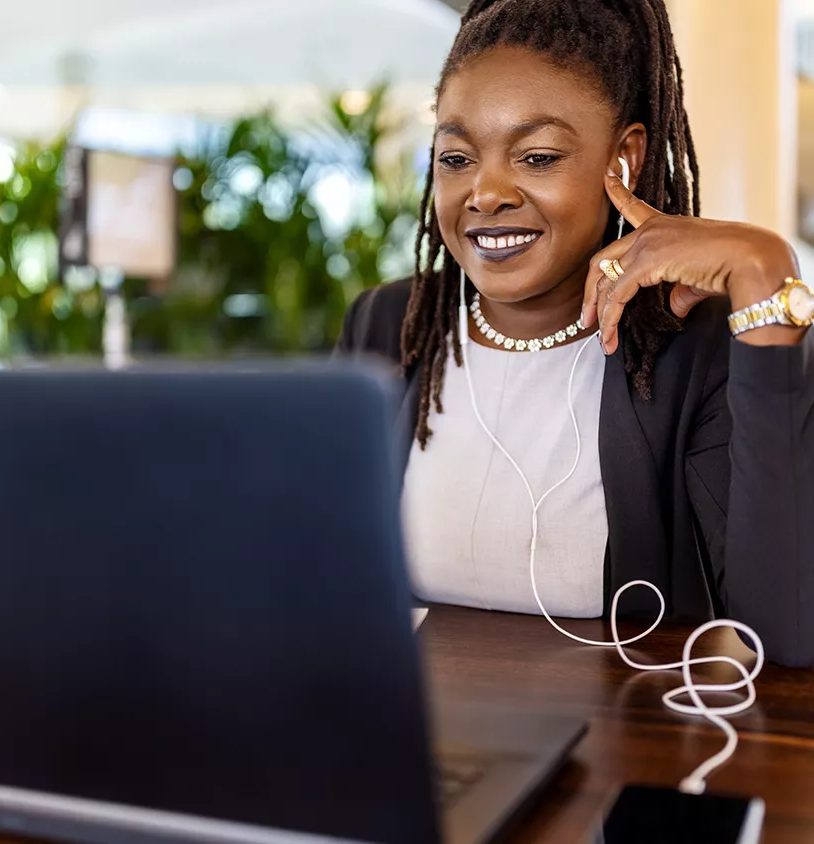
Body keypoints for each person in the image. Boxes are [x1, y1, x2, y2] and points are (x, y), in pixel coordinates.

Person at [335, 0, 814, 667]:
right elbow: (321, 581)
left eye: (536, 156)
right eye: (455, 157)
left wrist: (766, 277)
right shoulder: (387, 326)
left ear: (624, 159)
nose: (486, 192)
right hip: (404, 749)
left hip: (620, 753)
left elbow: (790, 636)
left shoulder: (691, 351)